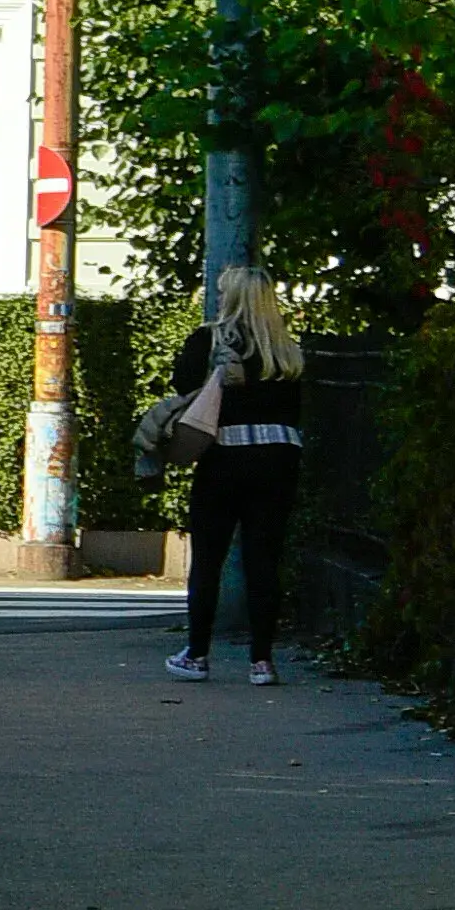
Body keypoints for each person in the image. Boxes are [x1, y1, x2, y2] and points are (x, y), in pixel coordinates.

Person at [165, 265, 305, 682]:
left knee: (209, 559)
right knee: (265, 560)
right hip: (278, 462)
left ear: (232, 298)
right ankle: (262, 661)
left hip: (224, 460)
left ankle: (197, 654)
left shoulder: (210, 341)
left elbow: (181, 386)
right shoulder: (287, 351)